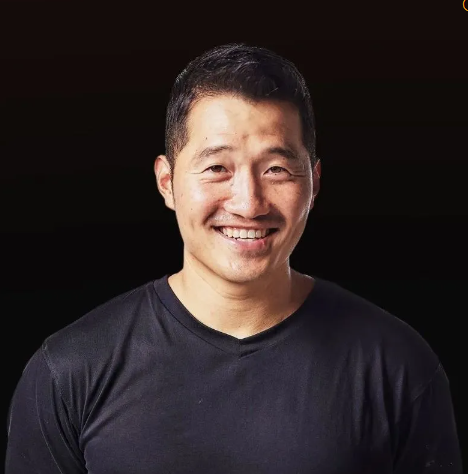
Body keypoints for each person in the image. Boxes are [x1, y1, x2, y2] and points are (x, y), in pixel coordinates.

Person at [5, 43, 463, 474]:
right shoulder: (69, 371)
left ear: (314, 183)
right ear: (166, 182)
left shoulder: (397, 366)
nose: (249, 203)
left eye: (276, 169)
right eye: (217, 168)